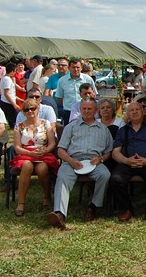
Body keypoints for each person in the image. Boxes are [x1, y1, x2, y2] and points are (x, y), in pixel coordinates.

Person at [48, 98, 113, 230]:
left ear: (96, 110)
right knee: (62, 177)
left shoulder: (103, 130)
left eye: (89, 109)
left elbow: (109, 151)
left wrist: (100, 159)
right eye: (84, 108)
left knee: (105, 175)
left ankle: (93, 206)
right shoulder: (71, 127)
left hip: (93, 162)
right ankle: (59, 214)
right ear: (80, 109)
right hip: (72, 160)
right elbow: (60, 150)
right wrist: (71, 161)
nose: (86, 111)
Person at [110, 101, 146, 223]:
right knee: (115, 179)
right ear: (127, 114)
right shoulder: (122, 130)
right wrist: (127, 160)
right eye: (131, 110)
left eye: (137, 109)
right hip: (127, 163)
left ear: (143, 112)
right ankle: (127, 209)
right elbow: (115, 152)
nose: (135, 112)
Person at [10, 99, 59, 217]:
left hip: (43, 153)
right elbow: (17, 147)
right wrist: (30, 154)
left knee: (42, 169)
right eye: (26, 109)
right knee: (27, 166)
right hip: (26, 153)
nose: (30, 111)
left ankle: (47, 197)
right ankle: (21, 203)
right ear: (23, 112)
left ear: (38, 109)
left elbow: (52, 143)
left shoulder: (46, 124)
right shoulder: (19, 126)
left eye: (33, 108)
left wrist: (45, 150)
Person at [55, 59, 96, 123]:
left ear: (81, 68)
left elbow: (94, 94)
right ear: (69, 68)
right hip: (68, 112)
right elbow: (59, 97)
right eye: (73, 67)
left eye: (78, 67)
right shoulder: (62, 81)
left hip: (86, 111)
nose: (76, 69)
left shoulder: (88, 79)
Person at [0, 63, 21, 128]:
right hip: (8, 103)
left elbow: (11, 93)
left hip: (8, 101)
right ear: (12, 71)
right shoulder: (7, 79)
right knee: (14, 121)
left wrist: (19, 99)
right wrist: (14, 105)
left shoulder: (4, 78)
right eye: (15, 71)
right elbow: (6, 93)